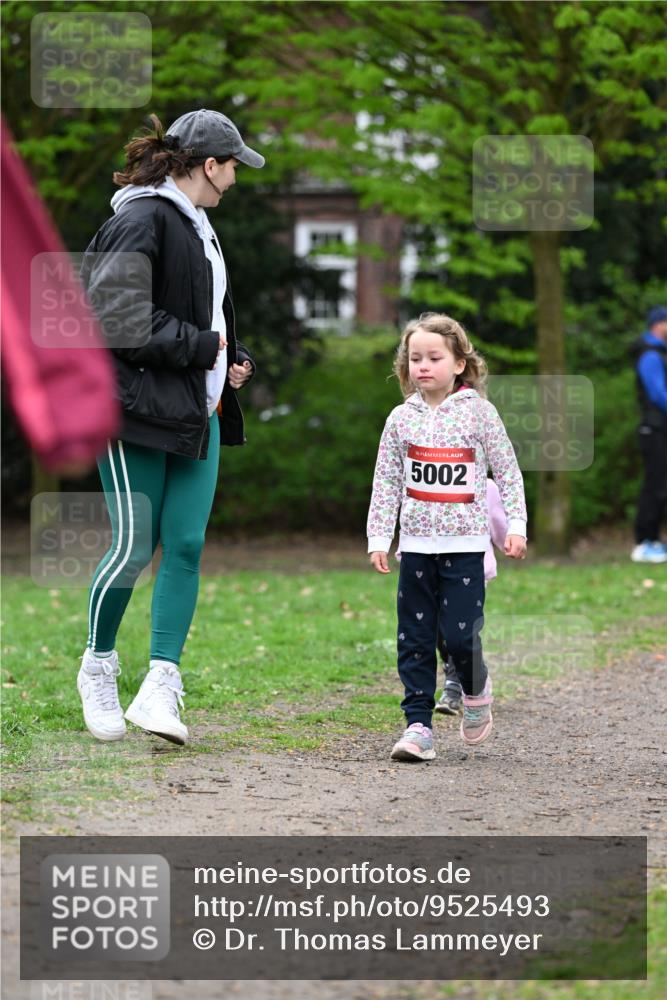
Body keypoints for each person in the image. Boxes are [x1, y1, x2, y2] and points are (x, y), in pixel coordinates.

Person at [77, 110, 264, 746]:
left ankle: (160, 685)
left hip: (196, 413)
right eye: (234, 165)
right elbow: (117, 320)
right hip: (133, 413)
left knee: (184, 547)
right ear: (209, 165)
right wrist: (203, 344)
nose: (237, 178)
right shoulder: (139, 218)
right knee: (134, 548)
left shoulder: (197, 225)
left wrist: (228, 357)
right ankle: (98, 665)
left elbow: (200, 313)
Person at [367, 313, 527, 761]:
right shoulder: (400, 419)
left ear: (459, 363)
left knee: (459, 639)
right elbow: (386, 482)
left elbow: (508, 472)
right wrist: (380, 537)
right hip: (416, 547)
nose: (423, 366)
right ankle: (418, 726)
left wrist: (515, 526)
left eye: (434, 357)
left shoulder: (479, 413)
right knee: (413, 639)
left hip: (465, 547)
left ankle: (475, 687)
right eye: (415, 358)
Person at [434, 476, 507, 715]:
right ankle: (460, 670)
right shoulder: (435, 479)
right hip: (432, 564)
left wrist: (509, 540)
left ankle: (455, 685)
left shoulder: (488, 487)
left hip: (473, 569)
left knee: (460, 628)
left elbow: (498, 522)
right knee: (438, 629)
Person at [630, 305, 667, 563]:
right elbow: (657, 393)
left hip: (661, 427)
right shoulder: (650, 355)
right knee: (655, 484)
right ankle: (645, 541)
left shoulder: (659, 353)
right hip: (653, 428)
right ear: (658, 324)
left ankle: (654, 539)